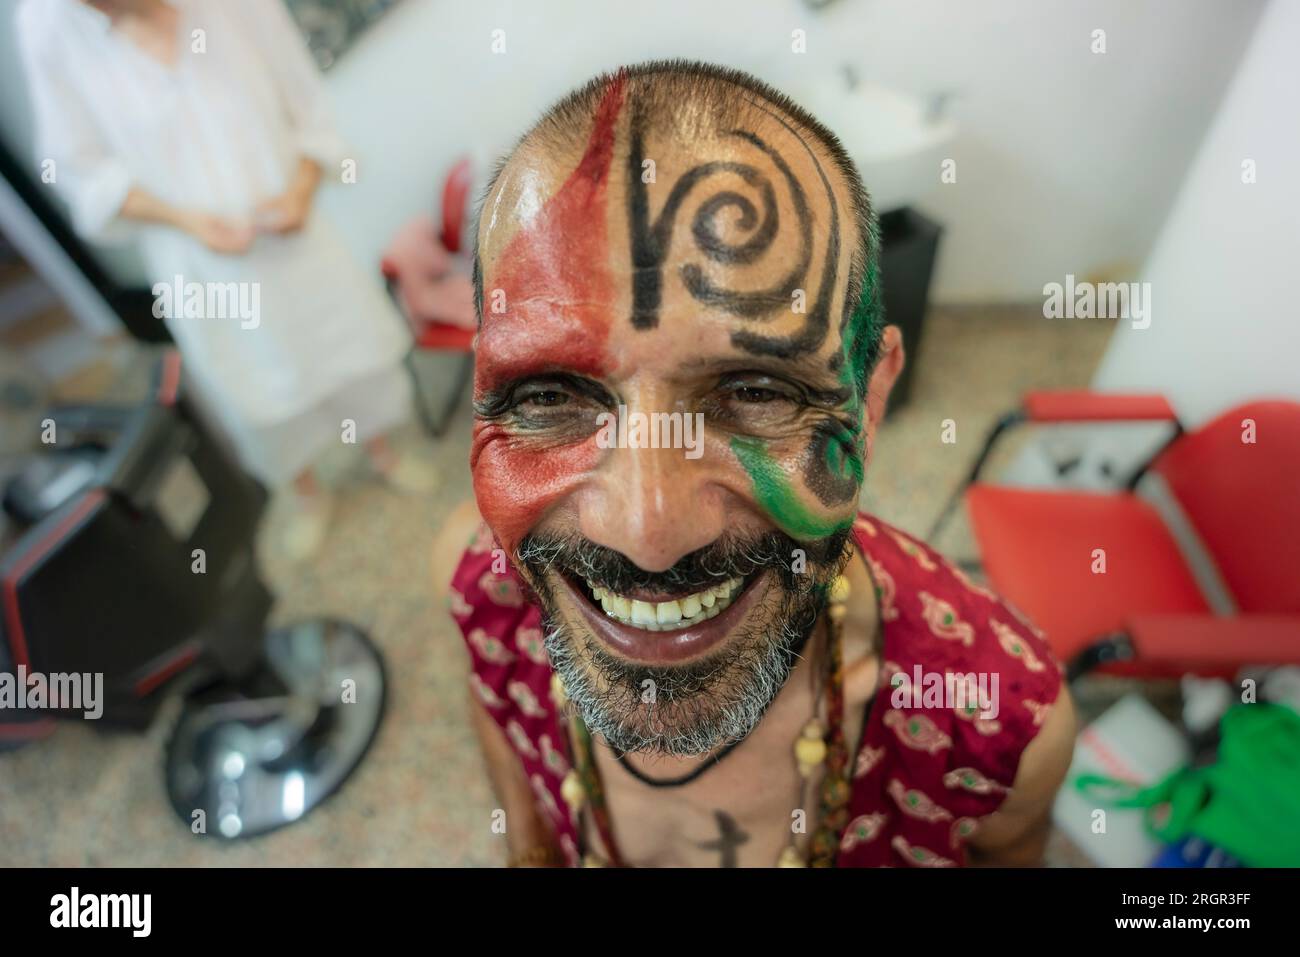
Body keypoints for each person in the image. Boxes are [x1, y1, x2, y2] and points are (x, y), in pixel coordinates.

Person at [432, 61, 1076, 867]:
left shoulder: (989, 726)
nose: (646, 535)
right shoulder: (488, 589)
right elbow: (493, 702)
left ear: (870, 399)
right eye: (549, 394)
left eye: (756, 390)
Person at [17, 0, 435, 560]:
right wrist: (187, 220)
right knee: (256, 382)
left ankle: (382, 451)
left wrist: (300, 191)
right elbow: (81, 171)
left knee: (344, 347)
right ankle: (308, 494)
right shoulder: (44, 28)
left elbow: (304, 100)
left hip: (293, 229)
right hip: (197, 258)